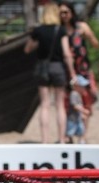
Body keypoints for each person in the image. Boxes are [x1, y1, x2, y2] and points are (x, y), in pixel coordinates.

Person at [24, 2, 77, 144]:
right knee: (59, 105)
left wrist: (40, 45)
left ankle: (45, 140)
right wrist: (72, 72)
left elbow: (27, 49)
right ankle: (61, 138)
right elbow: (66, 53)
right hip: (58, 67)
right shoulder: (61, 30)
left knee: (45, 104)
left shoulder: (38, 30)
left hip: (43, 68)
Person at [59, 0, 99, 141]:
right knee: (67, 103)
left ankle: (83, 135)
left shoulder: (80, 27)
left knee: (86, 102)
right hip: (66, 72)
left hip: (83, 71)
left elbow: (95, 44)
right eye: (61, 13)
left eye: (66, 12)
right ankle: (68, 135)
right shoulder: (59, 31)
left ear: (71, 12)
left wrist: (87, 34)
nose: (64, 15)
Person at [65, 75, 91, 144]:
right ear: (76, 86)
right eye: (82, 86)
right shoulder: (74, 94)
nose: (84, 88)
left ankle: (81, 141)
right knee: (69, 133)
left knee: (81, 131)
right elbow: (75, 106)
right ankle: (68, 142)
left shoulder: (79, 94)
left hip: (78, 118)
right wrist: (84, 111)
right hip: (72, 119)